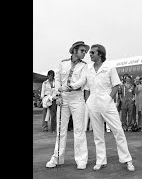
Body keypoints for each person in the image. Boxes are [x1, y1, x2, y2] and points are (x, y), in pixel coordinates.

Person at [69, 44, 135, 171]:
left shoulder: (109, 67)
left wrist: (109, 99)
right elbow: (87, 88)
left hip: (106, 101)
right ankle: (101, 160)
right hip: (93, 101)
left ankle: (127, 160)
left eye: (92, 52)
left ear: (100, 54)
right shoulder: (88, 69)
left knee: (118, 131)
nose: (90, 54)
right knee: (97, 134)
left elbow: (116, 85)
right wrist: (88, 101)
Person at [46, 41, 89, 170]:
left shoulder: (85, 66)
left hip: (77, 98)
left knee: (79, 130)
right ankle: (57, 158)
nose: (84, 53)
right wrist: (58, 95)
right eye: (82, 50)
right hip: (63, 98)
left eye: (85, 51)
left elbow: (82, 80)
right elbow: (57, 79)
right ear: (74, 50)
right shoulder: (63, 63)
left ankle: (81, 159)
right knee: (61, 130)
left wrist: (69, 87)